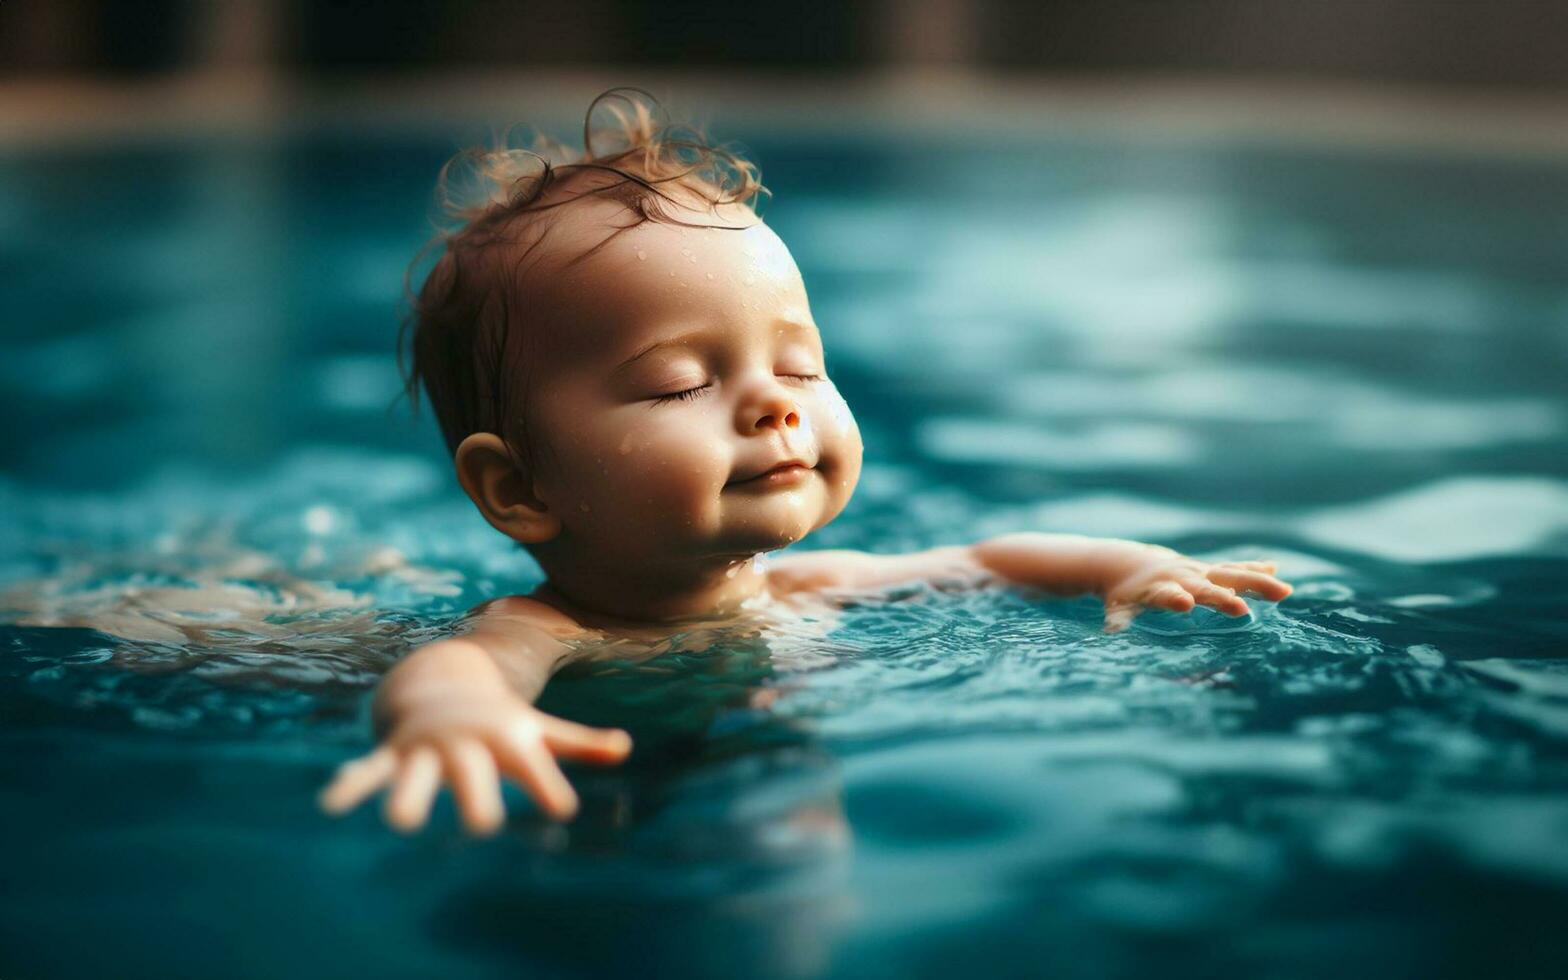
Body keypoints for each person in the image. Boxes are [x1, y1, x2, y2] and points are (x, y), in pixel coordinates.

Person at [318, 90, 1293, 837]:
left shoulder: (803, 583)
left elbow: (987, 559)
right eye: (674, 382)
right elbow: (454, 672)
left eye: (799, 363)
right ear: (518, 487)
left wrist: (1120, 564)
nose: (774, 401)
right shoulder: (552, 630)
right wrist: (448, 719)